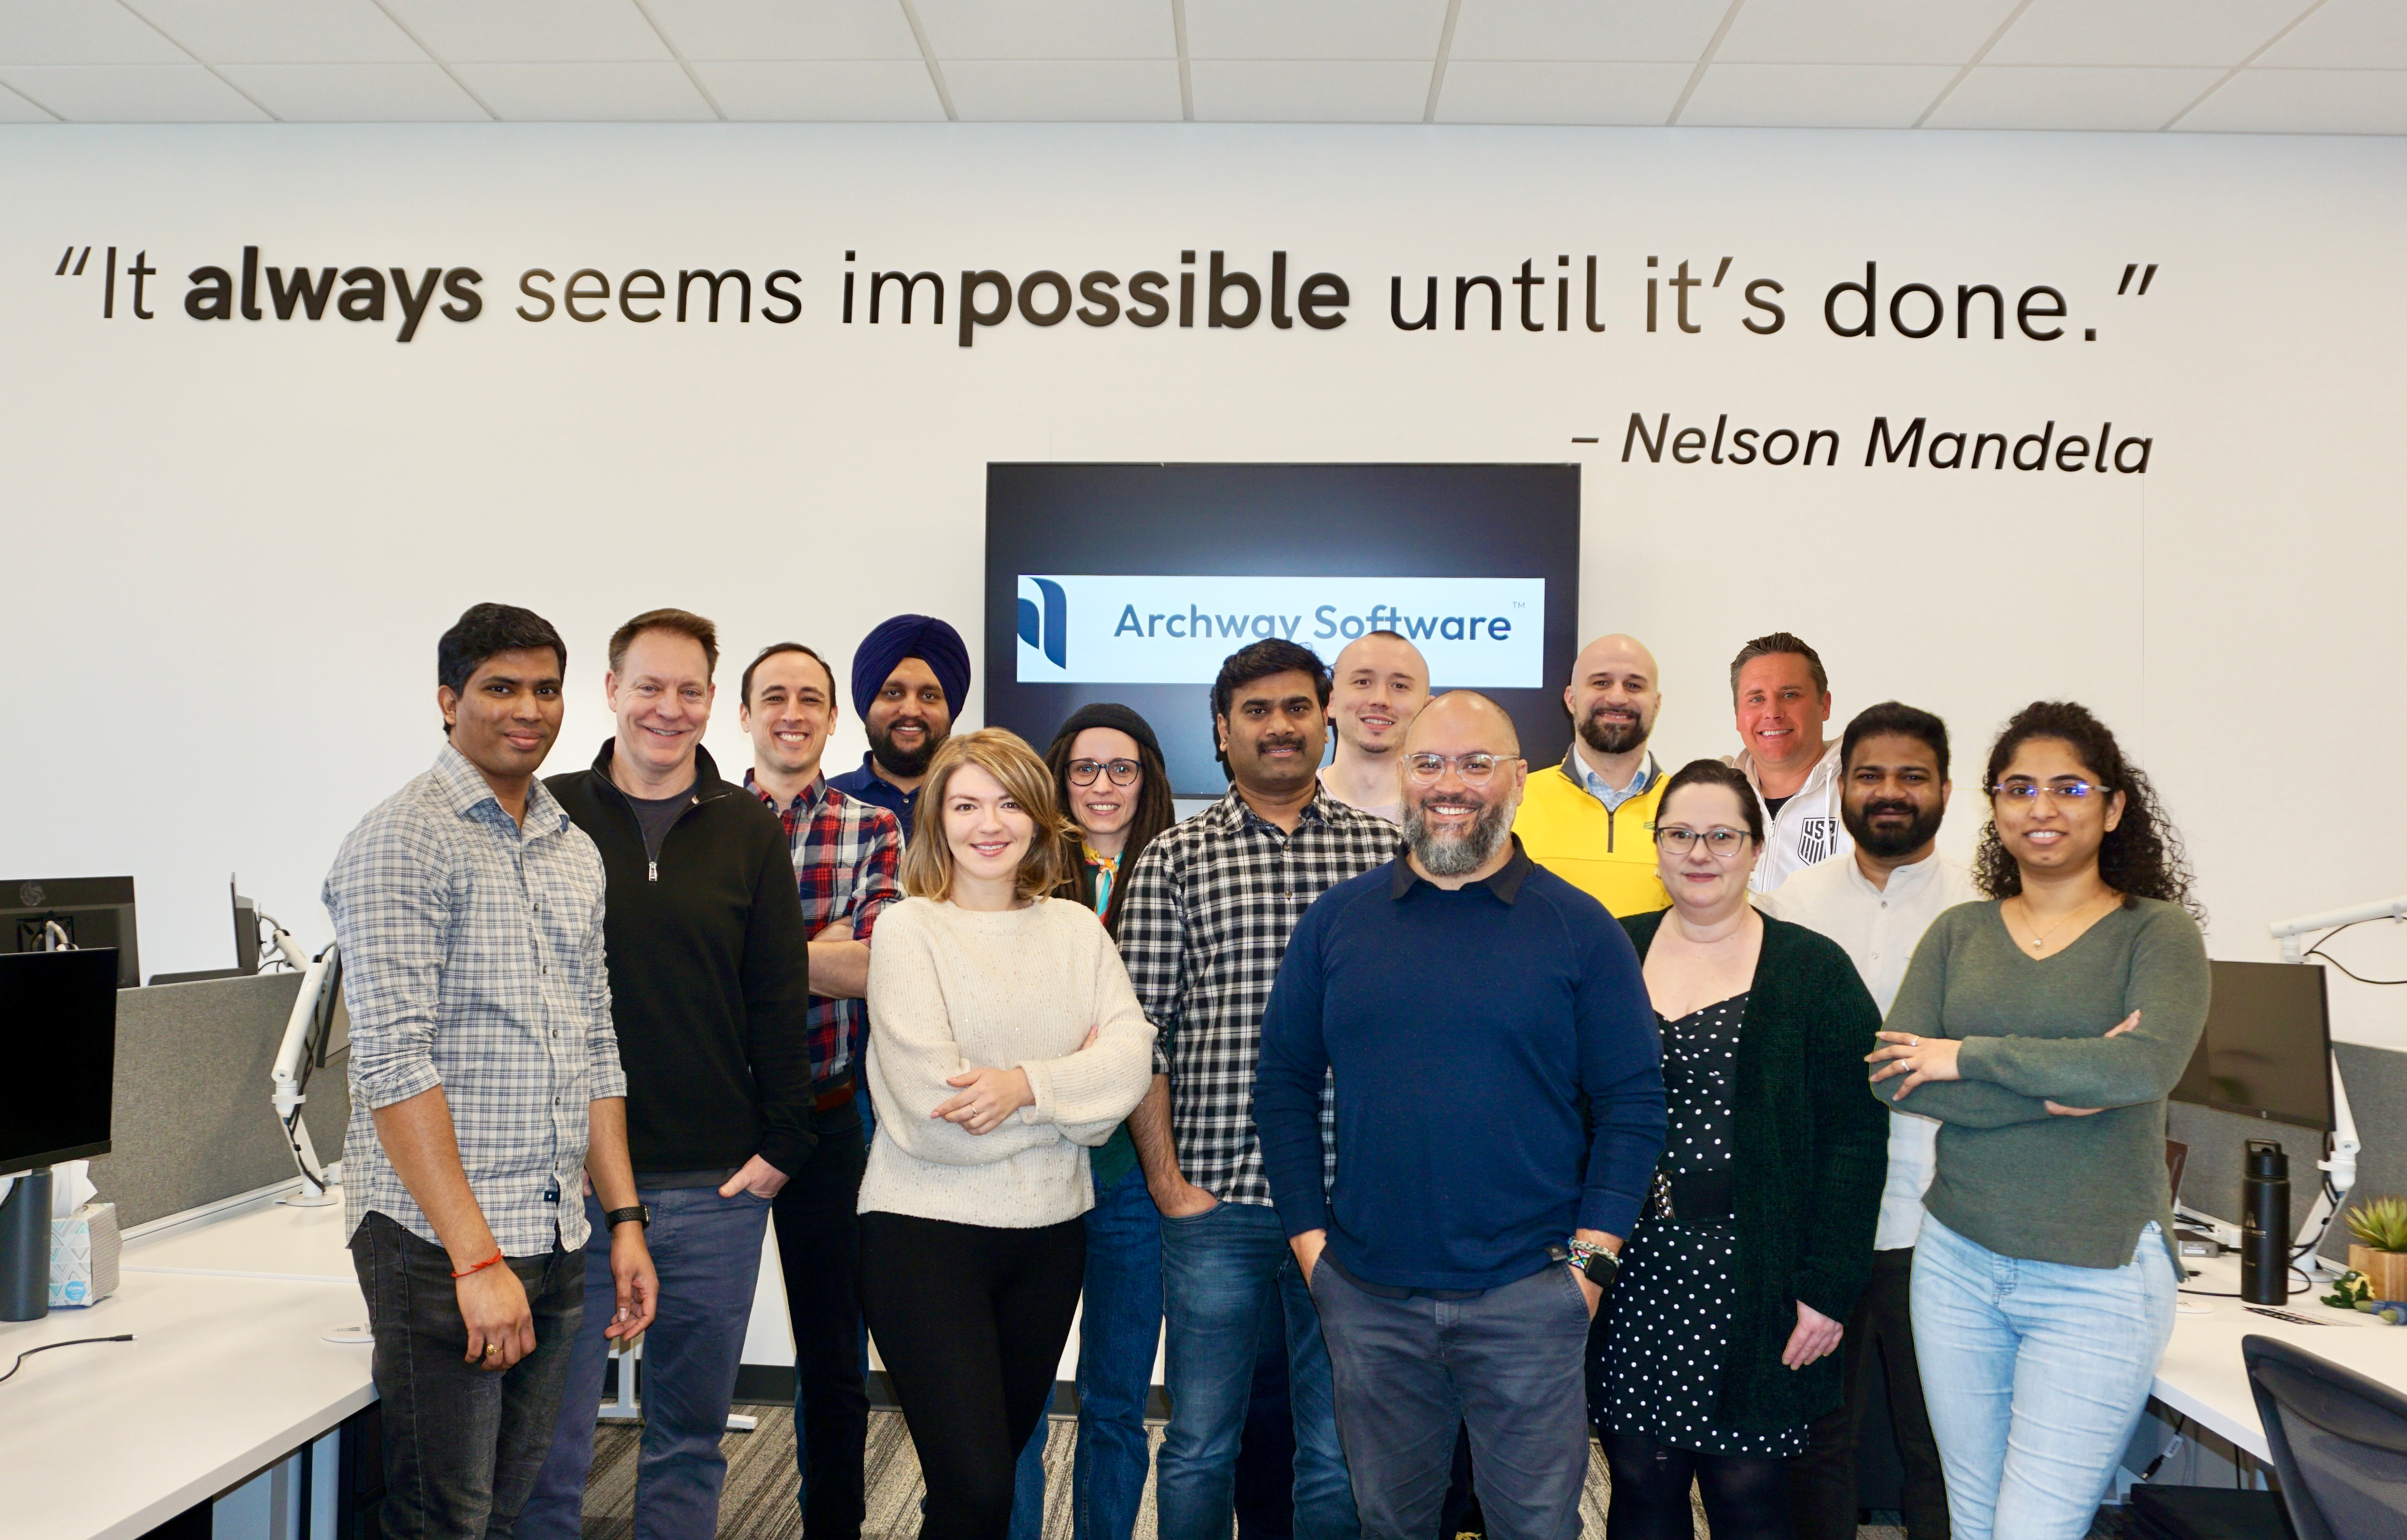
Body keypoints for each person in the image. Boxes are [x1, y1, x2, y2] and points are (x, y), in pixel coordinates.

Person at [1255, 691, 1666, 1540]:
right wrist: (1312, 1249)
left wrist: (1589, 1268)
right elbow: (1284, 1082)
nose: (1452, 783)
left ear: (1517, 778)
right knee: (1393, 1525)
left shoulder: (1581, 929)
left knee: (1536, 1528)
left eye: (1477, 763)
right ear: (1403, 776)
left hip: (1531, 1296)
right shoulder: (1338, 921)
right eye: (1431, 763)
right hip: (1369, 1298)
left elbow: (1633, 1107)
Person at [326, 602, 658, 1540]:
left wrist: (622, 1220)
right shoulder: (402, 840)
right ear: (447, 701)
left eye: (545, 688)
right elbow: (393, 1065)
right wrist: (474, 1259)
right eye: (499, 688)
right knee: (446, 1520)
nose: (528, 709)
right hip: (441, 1243)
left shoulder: (570, 851)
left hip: (553, 1231)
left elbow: (593, 1045)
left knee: (512, 1514)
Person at [1867, 702, 2209, 1540]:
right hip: (1957, 1261)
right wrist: (2060, 1079)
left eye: (2069, 787)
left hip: (2095, 1275)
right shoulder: (1960, 932)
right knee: (1974, 1521)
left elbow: (2140, 1067)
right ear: (1994, 805)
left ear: (2114, 806)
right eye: (2019, 788)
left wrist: (1967, 1055)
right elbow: (1893, 1076)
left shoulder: (2157, 934)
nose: (2042, 807)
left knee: (2034, 1531)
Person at [524, 609, 818, 1540]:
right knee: (552, 1447)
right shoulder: (547, 813)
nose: (668, 707)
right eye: (648, 686)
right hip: (568, 1184)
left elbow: (776, 998)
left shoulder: (747, 830)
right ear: (609, 693)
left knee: (688, 1437)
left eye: (689, 689)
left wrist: (783, 1143)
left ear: (712, 705)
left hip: (714, 1187)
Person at [1118, 638, 1403, 1540]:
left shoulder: (1389, 855)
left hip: (1353, 1204)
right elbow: (1139, 1040)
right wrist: (1169, 1186)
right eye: (1255, 711)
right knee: (1202, 1441)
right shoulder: (1174, 859)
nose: (1278, 727)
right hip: (1219, 1205)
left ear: (1327, 720)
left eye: (1294, 708)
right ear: (1221, 730)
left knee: (1339, 1445)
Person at [858, 728, 1156, 1540]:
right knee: (982, 1486)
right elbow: (930, 1113)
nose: (988, 824)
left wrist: (1020, 1086)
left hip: (1051, 1238)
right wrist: (1068, 1101)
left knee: (975, 1496)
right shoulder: (907, 929)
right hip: (923, 1236)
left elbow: (1130, 1066)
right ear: (937, 819)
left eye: (1008, 803)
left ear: (1038, 816)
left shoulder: (1075, 931)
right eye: (965, 804)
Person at [1595, 759, 1888, 1540]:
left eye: (1722, 835)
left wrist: (1829, 1288)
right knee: (1639, 1482)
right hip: (1631, 1271)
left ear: (1756, 848)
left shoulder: (1812, 969)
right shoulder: (1610, 955)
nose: (1700, 852)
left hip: (1755, 1276)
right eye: (1681, 834)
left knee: (1749, 1493)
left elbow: (1856, 1139)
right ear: (1656, 847)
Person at [1763, 704, 1974, 1540]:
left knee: (1940, 1447)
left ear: (1947, 790)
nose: (1889, 792)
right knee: (1817, 1444)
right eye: (1870, 775)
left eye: (1911, 776)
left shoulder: (1985, 912)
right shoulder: (1790, 906)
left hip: (1948, 1224)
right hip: (1822, 1227)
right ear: (1841, 787)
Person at [740, 641, 903, 1540]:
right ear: (747, 714)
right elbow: (676, 974)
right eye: (775, 697)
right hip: (718, 1126)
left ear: (833, 717)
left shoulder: (872, 826)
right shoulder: (703, 819)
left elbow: (877, 966)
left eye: (811, 698)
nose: (793, 712)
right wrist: (818, 952)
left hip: (831, 1121)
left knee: (835, 1358)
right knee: (695, 1350)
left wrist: (748, 962)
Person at [1008, 702, 1179, 1540]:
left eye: (1122, 769)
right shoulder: (1020, 873)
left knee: (1115, 1399)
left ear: (1147, 778)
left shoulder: (1182, 870)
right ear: (1058, 778)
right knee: (1021, 1398)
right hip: (1032, 1172)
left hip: (1133, 1183)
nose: (1103, 786)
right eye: (1085, 769)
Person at [1514, 633, 1673, 917]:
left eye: (1634, 685)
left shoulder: (1690, 810)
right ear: (1571, 698)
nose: (1617, 697)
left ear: (1657, 704)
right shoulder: (1515, 802)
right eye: (1601, 682)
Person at [1724, 632, 1849, 893]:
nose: (1772, 713)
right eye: (1756, 699)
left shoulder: (1862, 794)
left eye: (1790, 695)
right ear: (1738, 716)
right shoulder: (1714, 796)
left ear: (1824, 705)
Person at [829, 612, 971, 842]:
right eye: (893, 693)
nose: (911, 711)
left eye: (929, 696)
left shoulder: (978, 805)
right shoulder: (824, 804)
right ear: (867, 705)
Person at [1317, 630, 1430, 822]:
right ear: (1331, 701)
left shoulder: (1450, 814)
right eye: (1363, 682)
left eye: (1399, 686)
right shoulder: (1284, 804)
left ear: (1427, 710)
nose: (1380, 699)